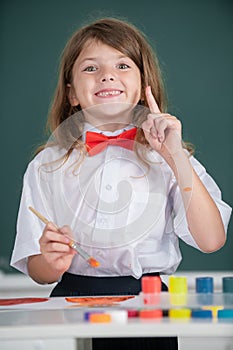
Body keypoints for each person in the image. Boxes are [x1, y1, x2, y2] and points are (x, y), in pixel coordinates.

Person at [11, 17, 231, 350]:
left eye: (123, 64)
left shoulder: (171, 159)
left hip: (150, 302)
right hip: (71, 302)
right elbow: (40, 271)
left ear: (145, 86)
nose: (107, 75)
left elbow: (212, 239)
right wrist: (50, 260)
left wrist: (176, 158)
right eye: (89, 68)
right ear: (71, 93)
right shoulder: (46, 165)